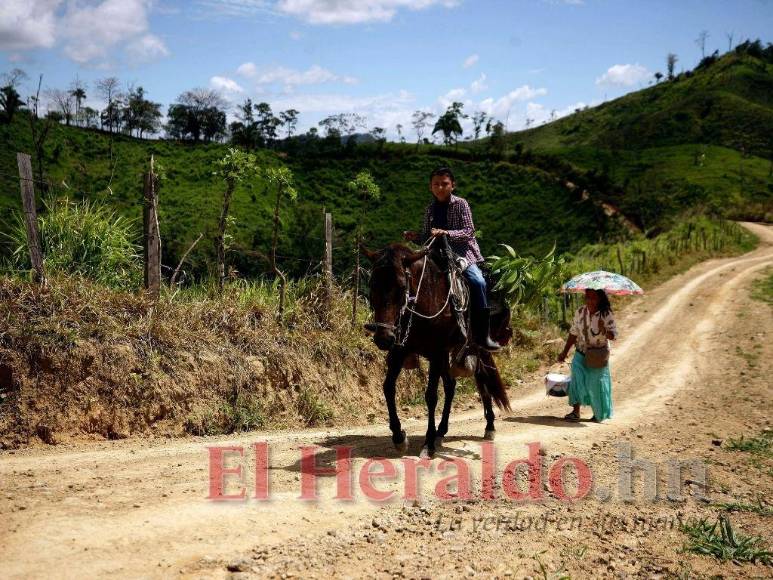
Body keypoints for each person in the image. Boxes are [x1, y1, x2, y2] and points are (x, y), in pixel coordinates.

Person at [403, 167, 500, 351]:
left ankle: (483, 334)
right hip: (434, 254)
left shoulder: (461, 204)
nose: (440, 187)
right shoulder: (429, 210)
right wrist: (414, 236)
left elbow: (469, 231)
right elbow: (427, 236)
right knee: (411, 275)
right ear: (430, 187)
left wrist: (446, 232)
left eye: (444, 184)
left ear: (452, 185)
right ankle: (407, 329)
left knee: (478, 282)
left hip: (462, 253)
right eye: (436, 184)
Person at [557, 289, 617, 422]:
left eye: (593, 298)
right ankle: (575, 411)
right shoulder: (580, 312)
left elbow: (613, 336)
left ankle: (599, 414)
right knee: (577, 380)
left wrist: (604, 330)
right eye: (588, 297)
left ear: (600, 299)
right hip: (581, 351)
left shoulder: (606, 314)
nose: (590, 300)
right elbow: (573, 333)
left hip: (598, 354)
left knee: (596, 384)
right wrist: (564, 352)